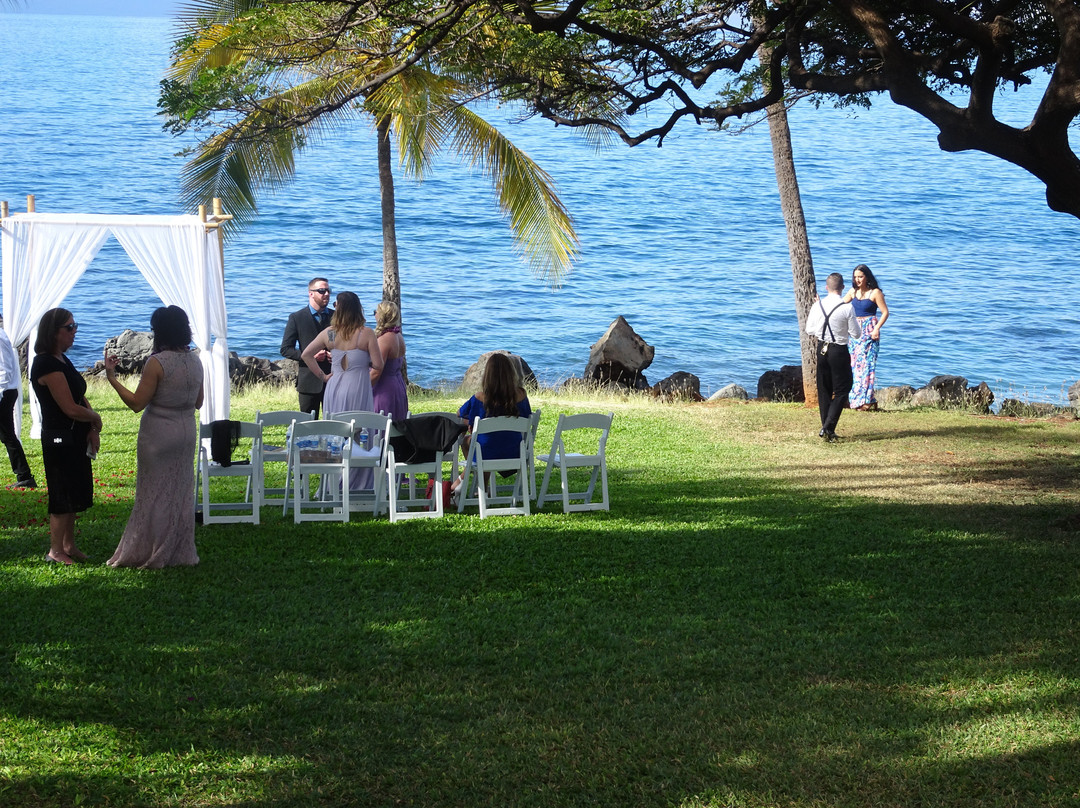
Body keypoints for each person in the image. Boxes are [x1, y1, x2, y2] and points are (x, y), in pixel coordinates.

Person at [104, 306, 204, 569]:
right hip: (186, 432)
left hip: (158, 433)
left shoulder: (157, 362)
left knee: (153, 492)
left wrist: (112, 379)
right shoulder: (196, 360)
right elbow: (199, 402)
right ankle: (178, 549)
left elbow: (137, 403)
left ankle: (149, 549)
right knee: (180, 492)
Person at [30, 308, 102, 565]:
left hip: (76, 436)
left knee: (75, 490)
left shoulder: (61, 358)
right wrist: (94, 418)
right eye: (69, 327)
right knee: (61, 492)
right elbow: (68, 407)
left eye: (75, 326)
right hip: (60, 438)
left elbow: (79, 396)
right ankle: (55, 550)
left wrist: (92, 427)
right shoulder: (46, 363)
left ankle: (68, 545)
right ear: (54, 332)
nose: (75, 331)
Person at [302, 291, 384, 489]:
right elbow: (379, 365)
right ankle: (359, 482)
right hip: (358, 388)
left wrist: (323, 376)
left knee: (336, 434)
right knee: (359, 432)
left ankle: (334, 482)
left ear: (339, 308)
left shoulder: (331, 333)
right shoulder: (366, 333)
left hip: (334, 387)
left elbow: (306, 354)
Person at [453, 352, 532, 492]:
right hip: (515, 452)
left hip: (486, 454)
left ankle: (480, 486)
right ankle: (473, 484)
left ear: (487, 375)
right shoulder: (521, 395)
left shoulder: (479, 398)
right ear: (510, 373)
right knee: (481, 444)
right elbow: (526, 418)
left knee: (469, 443)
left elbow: (460, 413)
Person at [805, 272, 861, 442]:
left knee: (824, 389)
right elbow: (856, 334)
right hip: (838, 350)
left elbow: (810, 330)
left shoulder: (818, 306)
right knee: (843, 388)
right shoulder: (847, 307)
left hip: (821, 348)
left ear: (826, 288)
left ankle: (827, 429)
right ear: (843, 288)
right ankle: (827, 427)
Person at [281, 277, 334, 416]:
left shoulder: (336, 317)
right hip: (308, 381)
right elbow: (286, 349)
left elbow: (344, 344)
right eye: (322, 291)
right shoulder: (297, 318)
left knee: (335, 423)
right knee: (308, 425)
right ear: (311, 293)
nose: (327, 294)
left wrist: (336, 355)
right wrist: (310, 356)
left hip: (333, 377)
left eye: (328, 290)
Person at [843, 263, 890, 410]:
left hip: (870, 330)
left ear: (867, 277)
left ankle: (866, 400)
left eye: (860, 277)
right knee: (854, 365)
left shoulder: (875, 293)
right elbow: (839, 305)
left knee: (867, 366)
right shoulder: (852, 292)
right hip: (855, 331)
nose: (857, 280)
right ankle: (856, 399)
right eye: (855, 277)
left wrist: (876, 328)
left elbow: (885, 312)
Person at [0, 321, 36, 489]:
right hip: (7, 390)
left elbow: (4, 370)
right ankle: (24, 475)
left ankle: (25, 475)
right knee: (7, 435)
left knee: (7, 435)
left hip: (4, 391)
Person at [371, 301, 408, 420]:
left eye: (375, 312)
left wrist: (363, 387)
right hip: (397, 385)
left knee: (380, 423)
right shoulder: (398, 336)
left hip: (384, 388)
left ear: (382, 315)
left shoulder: (384, 339)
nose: (374, 315)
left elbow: (377, 370)